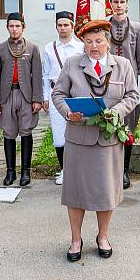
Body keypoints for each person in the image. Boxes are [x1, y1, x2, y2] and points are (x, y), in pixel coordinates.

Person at [52, 20, 139, 261]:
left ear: (108, 42)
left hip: (108, 139)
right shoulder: (72, 65)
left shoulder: (122, 65)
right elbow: (58, 93)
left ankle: (102, 236)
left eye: (99, 41)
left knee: (105, 191)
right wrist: (68, 112)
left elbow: (133, 95)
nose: (94, 46)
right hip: (79, 138)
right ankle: (76, 239)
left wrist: (118, 111)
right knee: (75, 192)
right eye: (89, 42)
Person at [0, 12, 43, 186]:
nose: (14, 29)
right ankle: (10, 171)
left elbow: (37, 75)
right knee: (9, 132)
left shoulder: (33, 48)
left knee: (26, 131)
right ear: (7, 27)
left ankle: (25, 172)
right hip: (6, 96)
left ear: (23, 27)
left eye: (17, 26)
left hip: (26, 96)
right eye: (11, 26)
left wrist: (37, 99)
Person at [108, 0, 140, 189]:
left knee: (127, 129)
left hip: (130, 86)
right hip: (106, 86)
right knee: (107, 128)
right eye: (115, 2)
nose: (118, 5)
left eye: (121, 2)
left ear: (126, 4)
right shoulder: (103, 26)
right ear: (111, 4)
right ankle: (109, 171)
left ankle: (124, 171)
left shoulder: (137, 28)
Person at [42, 11, 84, 185]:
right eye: (60, 25)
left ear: (72, 26)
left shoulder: (80, 47)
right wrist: (45, 97)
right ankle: (64, 170)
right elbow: (45, 75)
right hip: (55, 96)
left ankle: (78, 171)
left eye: (66, 24)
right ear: (56, 26)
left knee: (77, 133)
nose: (63, 28)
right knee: (59, 136)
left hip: (75, 95)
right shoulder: (49, 48)